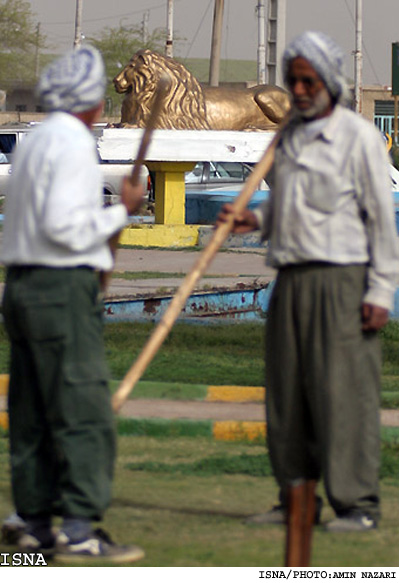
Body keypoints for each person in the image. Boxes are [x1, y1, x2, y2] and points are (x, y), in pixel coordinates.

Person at [217, 31, 399, 533]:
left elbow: (380, 221)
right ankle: (295, 498)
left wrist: (380, 291)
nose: (297, 89)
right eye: (292, 79)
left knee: (342, 394)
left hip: (342, 281)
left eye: (307, 80)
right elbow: (291, 202)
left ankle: (357, 503)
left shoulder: (357, 138)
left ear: (329, 82)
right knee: (287, 395)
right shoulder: (292, 135)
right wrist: (254, 219)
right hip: (291, 279)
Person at [1, 45, 145, 562]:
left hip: (22, 287)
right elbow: (65, 228)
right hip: (59, 290)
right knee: (82, 408)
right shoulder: (72, 144)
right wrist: (121, 213)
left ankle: (35, 522)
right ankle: (79, 530)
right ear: (91, 102)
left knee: (33, 410)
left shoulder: (36, 141)